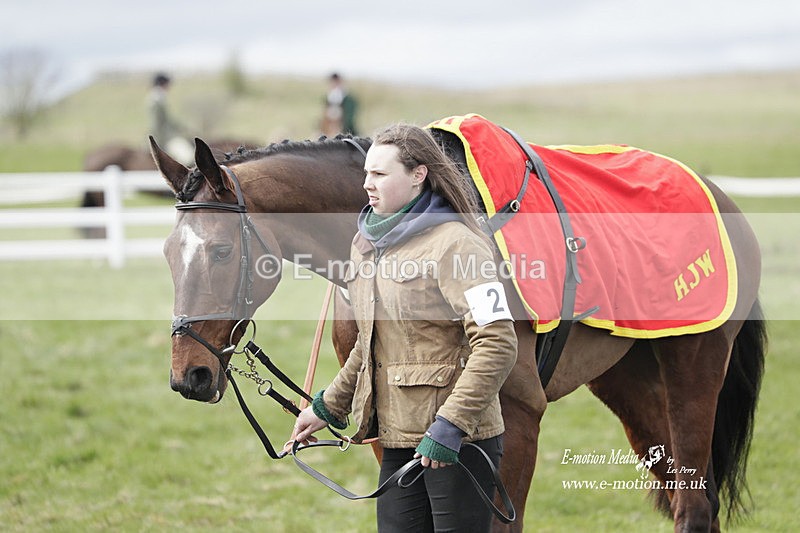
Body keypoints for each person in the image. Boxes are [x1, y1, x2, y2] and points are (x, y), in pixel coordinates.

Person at [291, 124, 518, 532]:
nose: (367, 185)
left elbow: (497, 342)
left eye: (379, 174)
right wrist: (328, 406)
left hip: (458, 441)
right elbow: (371, 341)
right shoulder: (365, 246)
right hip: (397, 438)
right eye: (365, 174)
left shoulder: (457, 243)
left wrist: (451, 424)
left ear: (418, 174)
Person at [148, 72, 193, 164]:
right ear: (163, 84)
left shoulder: (159, 98)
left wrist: (181, 127)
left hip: (169, 135)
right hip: (167, 138)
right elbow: (157, 124)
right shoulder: (156, 100)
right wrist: (158, 142)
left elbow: (168, 120)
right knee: (189, 157)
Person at [321, 72, 359, 136]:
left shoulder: (348, 99)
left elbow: (349, 118)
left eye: (336, 82)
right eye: (332, 82)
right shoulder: (327, 98)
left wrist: (342, 127)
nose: (334, 84)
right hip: (328, 129)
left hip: (345, 130)